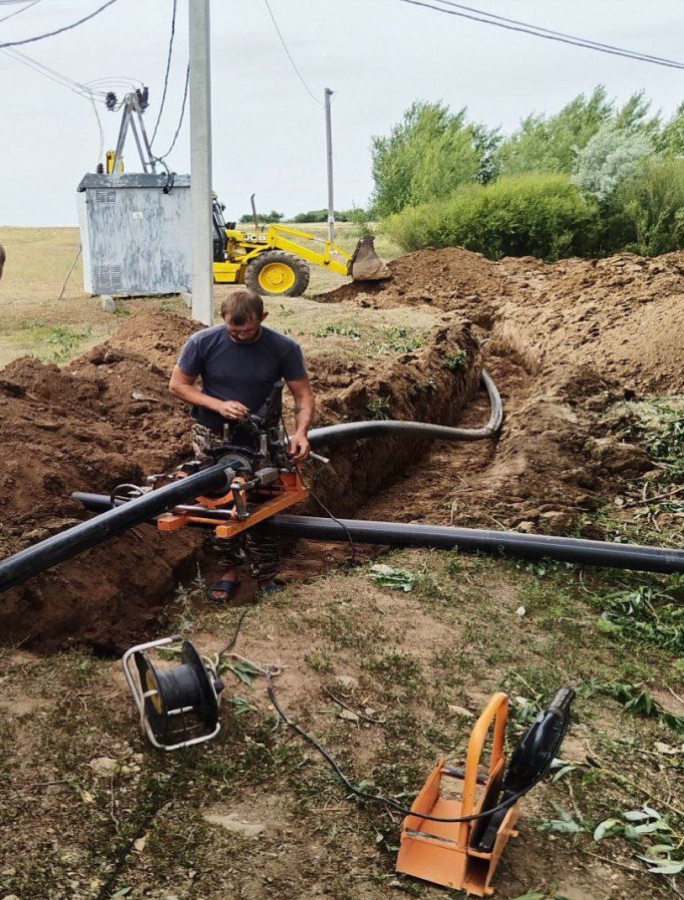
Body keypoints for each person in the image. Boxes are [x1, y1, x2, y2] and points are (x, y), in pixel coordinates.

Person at [169, 289, 315, 602]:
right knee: (217, 502)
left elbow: (303, 394)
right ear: (223, 321)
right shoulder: (202, 342)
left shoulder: (283, 347)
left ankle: (266, 576)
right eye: (232, 330)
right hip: (213, 436)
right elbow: (178, 386)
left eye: (246, 330)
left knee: (260, 503)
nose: (238, 335)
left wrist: (301, 433)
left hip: (260, 437)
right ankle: (229, 572)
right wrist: (217, 405)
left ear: (262, 318)